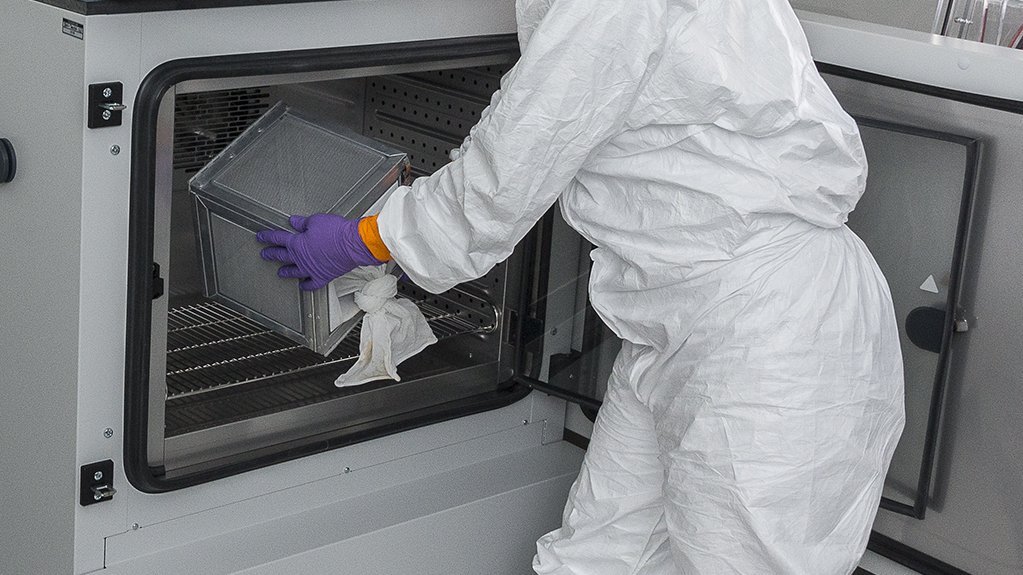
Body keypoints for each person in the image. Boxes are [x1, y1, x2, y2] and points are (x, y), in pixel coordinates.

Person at [255, 0, 906, 572]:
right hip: (674, 321)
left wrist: (362, 240)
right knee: (599, 552)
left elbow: (498, 182)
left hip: (768, 332)